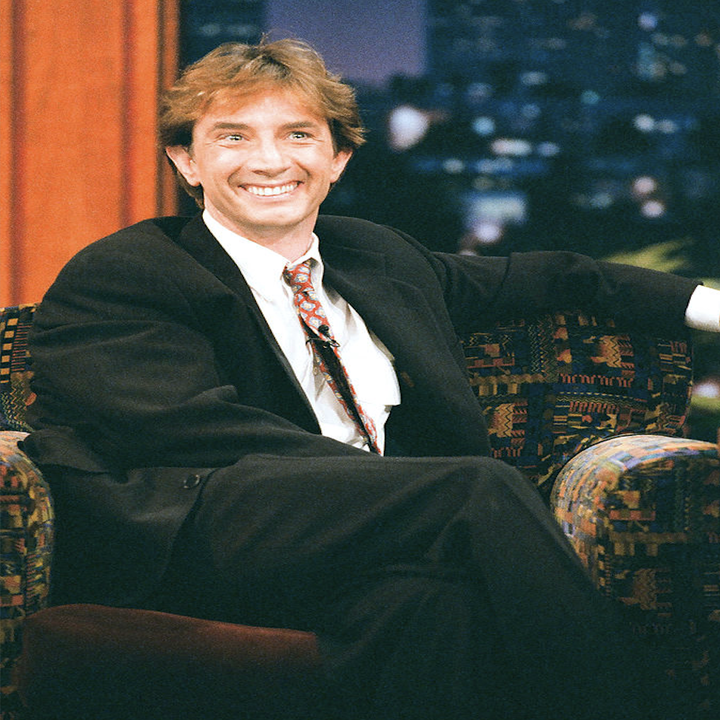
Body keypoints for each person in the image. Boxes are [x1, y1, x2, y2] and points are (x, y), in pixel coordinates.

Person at [24, 38, 720, 720]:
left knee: (433, 610)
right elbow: (181, 426)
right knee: (475, 487)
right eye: (232, 137)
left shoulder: (380, 258)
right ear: (187, 161)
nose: (269, 160)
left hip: (361, 551)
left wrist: (705, 304)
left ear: (337, 159)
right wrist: (397, 492)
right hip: (195, 524)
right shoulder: (128, 270)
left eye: (297, 135)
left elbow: (552, 275)